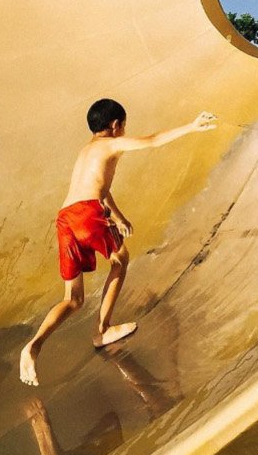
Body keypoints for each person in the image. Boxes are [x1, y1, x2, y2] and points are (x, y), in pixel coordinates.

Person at [19, 99, 218, 386]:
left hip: (65, 218)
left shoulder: (86, 151)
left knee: (72, 299)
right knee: (120, 260)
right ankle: (102, 329)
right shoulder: (110, 144)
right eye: (123, 126)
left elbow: (101, 189)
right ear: (115, 126)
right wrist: (192, 126)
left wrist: (119, 217)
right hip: (87, 213)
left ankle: (34, 345)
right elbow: (152, 141)